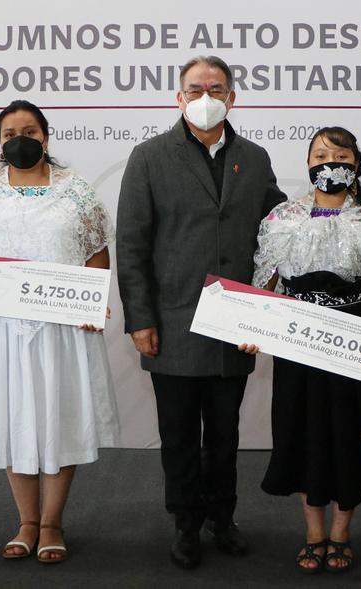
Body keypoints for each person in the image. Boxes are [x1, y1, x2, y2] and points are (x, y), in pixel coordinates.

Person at [0, 100, 119, 564]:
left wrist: (92, 301)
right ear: (0, 141)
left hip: (61, 331)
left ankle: (52, 522)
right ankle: (26, 521)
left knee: (59, 417)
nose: (19, 138)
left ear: (46, 136)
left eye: (29, 130)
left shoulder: (77, 193)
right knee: (13, 419)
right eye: (9, 131)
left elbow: (96, 256)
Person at [116, 55, 286, 569]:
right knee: (180, 434)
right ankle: (186, 522)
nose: (205, 96)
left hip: (236, 323)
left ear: (232, 97)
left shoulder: (254, 158)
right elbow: (131, 245)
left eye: (215, 87)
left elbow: (277, 229)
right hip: (171, 324)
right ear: (178, 97)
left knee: (226, 433)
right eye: (194, 88)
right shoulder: (148, 157)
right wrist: (140, 319)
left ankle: (223, 518)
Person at [245, 127, 361, 574]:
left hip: (356, 347)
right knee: (303, 433)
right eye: (320, 154)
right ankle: (313, 532)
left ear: (357, 162)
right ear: (308, 164)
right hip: (299, 344)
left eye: (340, 154)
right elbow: (264, 284)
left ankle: (342, 531)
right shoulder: (282, 217)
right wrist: (251, 326)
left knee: (347, 434)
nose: (330, 161)